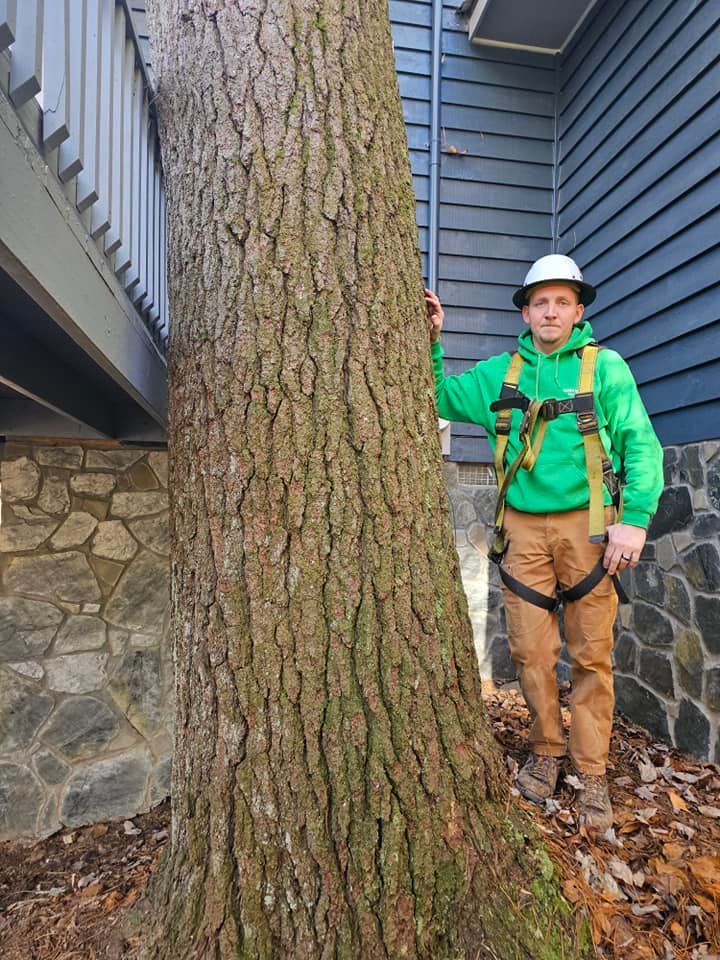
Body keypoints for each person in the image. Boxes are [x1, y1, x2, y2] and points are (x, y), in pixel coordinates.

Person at [425, 254, 663, 831]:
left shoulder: (604, 368)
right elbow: (432, 397)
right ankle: (547, 751)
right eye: (540, 302)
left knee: (590, 654)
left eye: (561, 301)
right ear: (526, 312)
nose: (550, 311)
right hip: (524, 530)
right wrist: (430, 339)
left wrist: (633, 519)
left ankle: (592, 771)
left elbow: (641, 443)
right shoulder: (499, 374)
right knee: (531, 654)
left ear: (578, 310)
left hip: (591, 527)